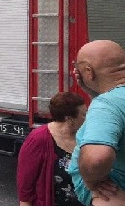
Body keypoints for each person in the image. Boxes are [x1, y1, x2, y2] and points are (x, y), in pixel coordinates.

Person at [67, 40, 125, 206]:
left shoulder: (107, 105)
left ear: (88, 71)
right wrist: (94, 94)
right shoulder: (109, 103)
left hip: (111, 195)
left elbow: (97, 158)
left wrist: (92, 181)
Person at [17, 92, 86, 206]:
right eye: (83, 115)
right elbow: (25, 183)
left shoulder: (84, 137)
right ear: (69, 119)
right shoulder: (38, 139)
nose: (86, 119)